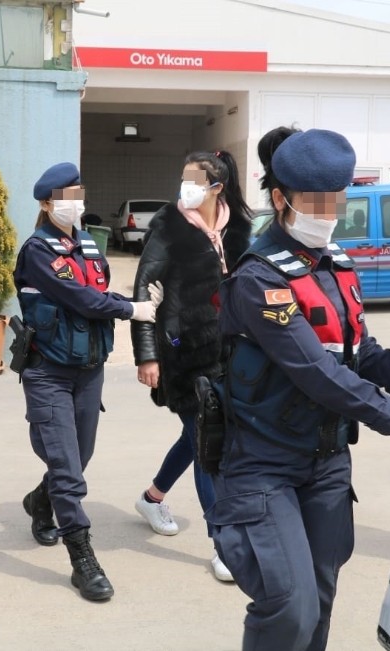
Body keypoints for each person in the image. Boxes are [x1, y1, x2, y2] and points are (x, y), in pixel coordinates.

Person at [206, 128, 390, 651]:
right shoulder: (261, 278)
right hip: (264, 460)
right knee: (289, 607)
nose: (327, 212)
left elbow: (361, 352)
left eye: (335, 200)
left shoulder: (337, 265)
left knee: (319, 601)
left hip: (327, 462)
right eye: (313, 201)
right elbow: (315, 370)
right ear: (280, 199)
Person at [15, 162, 162, 602]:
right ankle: (82, 557)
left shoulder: (88, 246)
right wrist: (130, 310)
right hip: (49, 371)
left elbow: (99, 294)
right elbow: (78, 298)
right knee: (67, 469)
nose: (75, 202)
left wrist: (133, 302)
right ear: (46, 203)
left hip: (88, 370)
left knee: (79, 457)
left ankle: (41, 502)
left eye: (78, 192)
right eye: (65, 197)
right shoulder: (38, 251)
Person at [130, 150, 252, 582]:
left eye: (195, 179)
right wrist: (147, 354)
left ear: (217, 187)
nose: (186, 187)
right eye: (184, 178)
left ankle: (152, 495)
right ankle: (223, 543)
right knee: (207, 440)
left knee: (198, 432)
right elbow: (144, 286)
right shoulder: (168, 225)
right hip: (179, 350)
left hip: (226, 352)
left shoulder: (237, 226)